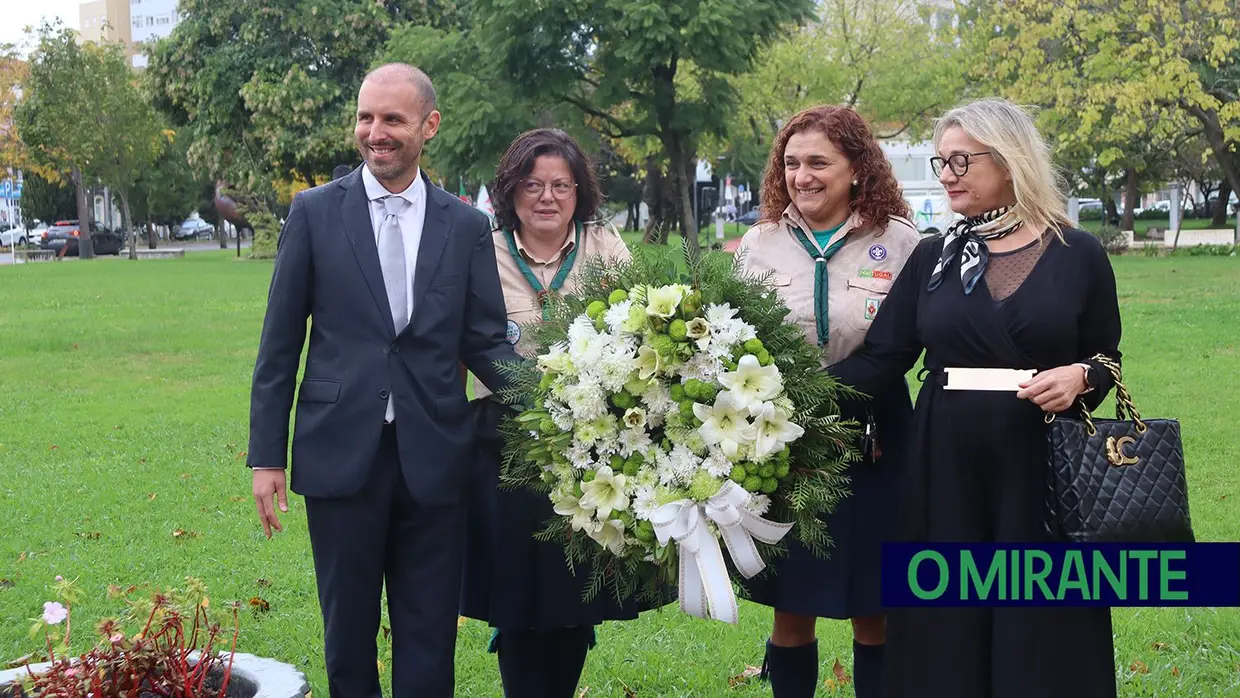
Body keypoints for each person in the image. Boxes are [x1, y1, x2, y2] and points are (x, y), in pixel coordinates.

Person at [827, 97, 1122, 698]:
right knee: (948, 610)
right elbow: (884, 359)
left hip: (1040, 462)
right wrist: (788, 399)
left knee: (1038, 609)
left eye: (961, 161)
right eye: (940, 163)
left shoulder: (1077, 252)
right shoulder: (934, 257)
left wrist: (1080, 378)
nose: (947, 176)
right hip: (946, 461)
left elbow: (1108, 358)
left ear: (1010, 160)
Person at [246, 63, 520, 698]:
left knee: (429, 634)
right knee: (348, 632)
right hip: (339, 453)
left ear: (429, 126)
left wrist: (564, 403)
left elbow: (483, 341)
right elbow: (279, 345)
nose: (376, 132)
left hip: (435, 457)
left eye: (393, 119)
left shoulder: (466, 226)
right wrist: (266, 457)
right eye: (366, 117)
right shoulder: (313, 213)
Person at [459, 128, 656, 698]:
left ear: (579, 191)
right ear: (510, 190)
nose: (546, 197)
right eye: (532, 184)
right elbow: (470, 339)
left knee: (573, 595)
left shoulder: (605, 246)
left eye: (560, 186)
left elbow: (636, 326)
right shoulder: (481, 246)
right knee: (516, 596)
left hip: (592, 443)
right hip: (505, 441)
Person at [733, 105, 920, 698]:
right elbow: (732, 338)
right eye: (791, 163)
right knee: (792, 603)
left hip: (874, 438)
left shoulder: (900, 242)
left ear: (857, 170)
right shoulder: (759, 243)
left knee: (876, 603)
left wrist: (827, 396)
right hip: (780, 441)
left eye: (819, 162)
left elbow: (903, 347)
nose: (802, 175)